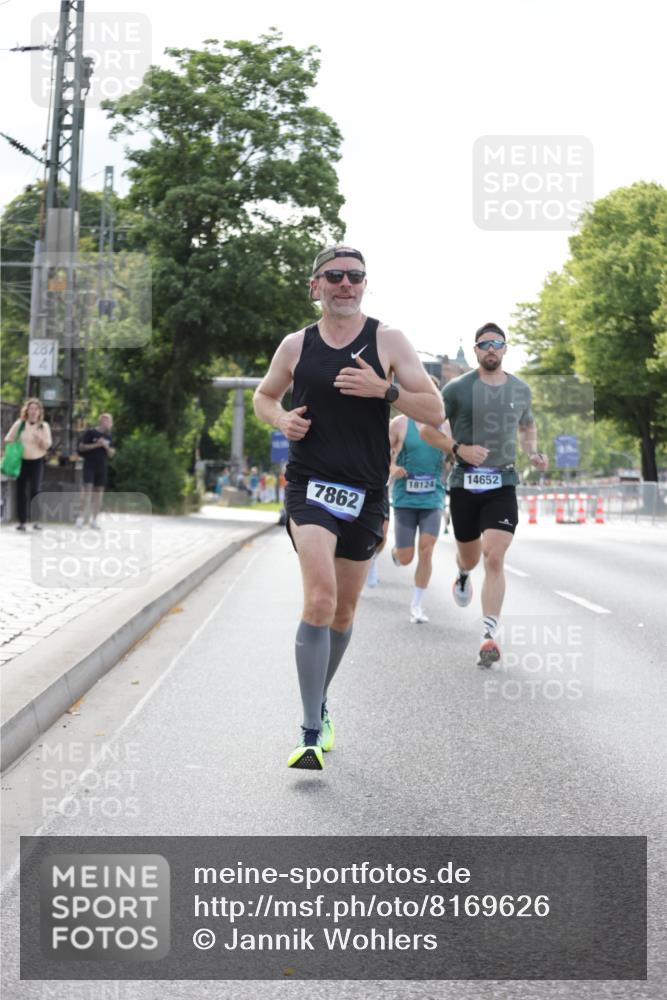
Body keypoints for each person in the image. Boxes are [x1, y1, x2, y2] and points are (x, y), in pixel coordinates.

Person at [253, 244, 444, 769]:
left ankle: (321, 702)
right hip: (310, 485)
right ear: (315, 285)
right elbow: (264, 397)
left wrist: (384, 391)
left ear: (364, 285)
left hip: (366, 491)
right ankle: (310, 731)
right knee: (318, 600)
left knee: (342, 611)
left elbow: (433, 408)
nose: (345, 284)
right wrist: (280, 420)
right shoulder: (296, 346)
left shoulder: (389, 340)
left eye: (355, 277)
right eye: (334, 276)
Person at [420, 322, 548, 667]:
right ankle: (462, 574)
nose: (491, 349)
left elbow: (527, 425)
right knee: (471, 558)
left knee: (494, 557)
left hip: (503, 483)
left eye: (497, 343)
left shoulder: (520, 390)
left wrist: (533, 452)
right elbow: (426, 429)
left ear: (505, 349)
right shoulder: (459, 388)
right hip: (465, 484)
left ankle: (488, 634)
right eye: (484, 344)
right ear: (476, 351)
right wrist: (457, 447)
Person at [388, 406, 446, 623]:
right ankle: (396, 552)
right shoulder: (400, 424)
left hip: (433, 497)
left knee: (427, 548)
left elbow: (453, 453)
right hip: (405, 498)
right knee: (406, 557)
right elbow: (379, 452)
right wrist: (392, 467)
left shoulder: (444, 426)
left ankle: (417, 605)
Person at [4, 397, 52, 531]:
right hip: (21, 461)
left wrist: (39, 439)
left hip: (37, 461)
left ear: (39, 412)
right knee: (21, 491)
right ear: (27, 410)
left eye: (36, 409)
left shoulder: (43, 426)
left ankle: (36, 520)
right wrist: (16, 445)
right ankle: (22, 522)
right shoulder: (20, 424)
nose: (33, 411)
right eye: (31, 408)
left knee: (35, 490)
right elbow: (8, 438)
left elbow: (47, 445)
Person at [75, 413, 115, 530]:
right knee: (87, 491)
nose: (107, 423)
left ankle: (94, 520)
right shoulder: (91, 433)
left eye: (109, 421)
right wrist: (97, 444)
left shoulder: (109, 437)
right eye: (105, 421)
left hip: (101, 467)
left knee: (99, 494)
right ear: (101, 421)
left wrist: (106, 446)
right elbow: (81, 447)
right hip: (89, 465)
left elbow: (112, 454)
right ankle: (80, 518)